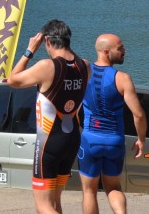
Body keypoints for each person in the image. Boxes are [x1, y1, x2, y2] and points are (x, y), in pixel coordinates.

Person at [8, 20, 90, 214]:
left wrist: (29, 51)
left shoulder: (47, 66)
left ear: (47, 41)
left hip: (48, 143)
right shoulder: (84, 65)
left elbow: (13, 79)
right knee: (55, 202)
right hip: (72, 141)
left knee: (43, 206)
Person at [79, 34, 145, 214]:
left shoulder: (84, 71)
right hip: (114, 141)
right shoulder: (122, 78)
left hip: (90, 139)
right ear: (106, 52)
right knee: (113, 188)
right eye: (120, 48)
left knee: (89, 191)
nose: (124, 51)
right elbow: (138, 115)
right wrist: (141, 140)